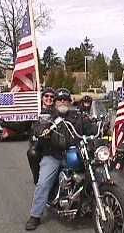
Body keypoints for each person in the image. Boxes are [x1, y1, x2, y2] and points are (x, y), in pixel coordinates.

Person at [25, 88, 96, 231]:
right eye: (59, 99)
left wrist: (101, 128)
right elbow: (39, 127)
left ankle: (91, 203)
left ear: (70, 102)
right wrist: (42, 131)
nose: (62, 102)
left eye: (66, 99)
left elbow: (91, 129)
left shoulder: (78, 116)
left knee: (94, 172)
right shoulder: (48, 116)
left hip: (77, 153)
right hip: (54, 154)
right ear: (55, 102)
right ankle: (35, 215)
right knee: (43, 182)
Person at [27, 87, 55, 185]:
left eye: (52, 96)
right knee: (32, 153)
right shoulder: (34, 111)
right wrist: (6, 124)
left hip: (54, 143)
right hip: (38, 144)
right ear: (42, 97)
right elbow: (22, 124)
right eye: (46, 96)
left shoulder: (57, 112)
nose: (49, 98)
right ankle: (37, 178)